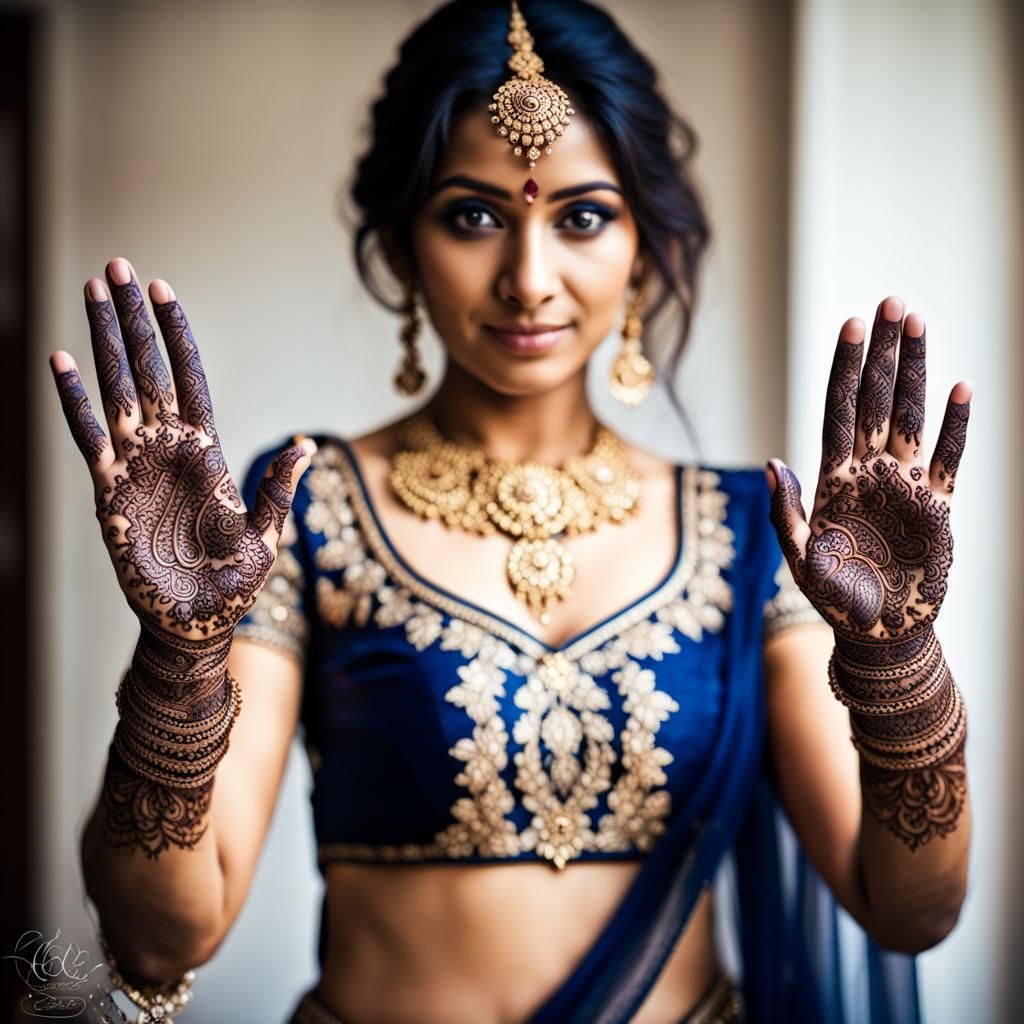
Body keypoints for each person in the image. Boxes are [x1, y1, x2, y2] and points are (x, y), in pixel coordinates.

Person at [50, 2, 973, 1021]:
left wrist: (900, 666)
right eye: (473, 215)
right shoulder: (301, 514)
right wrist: (179, 661)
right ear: (403, 244)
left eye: (580, 215)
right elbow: (161, 933)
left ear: (642, 242)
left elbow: (908, 908)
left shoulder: (756, 535)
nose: (528, 280)